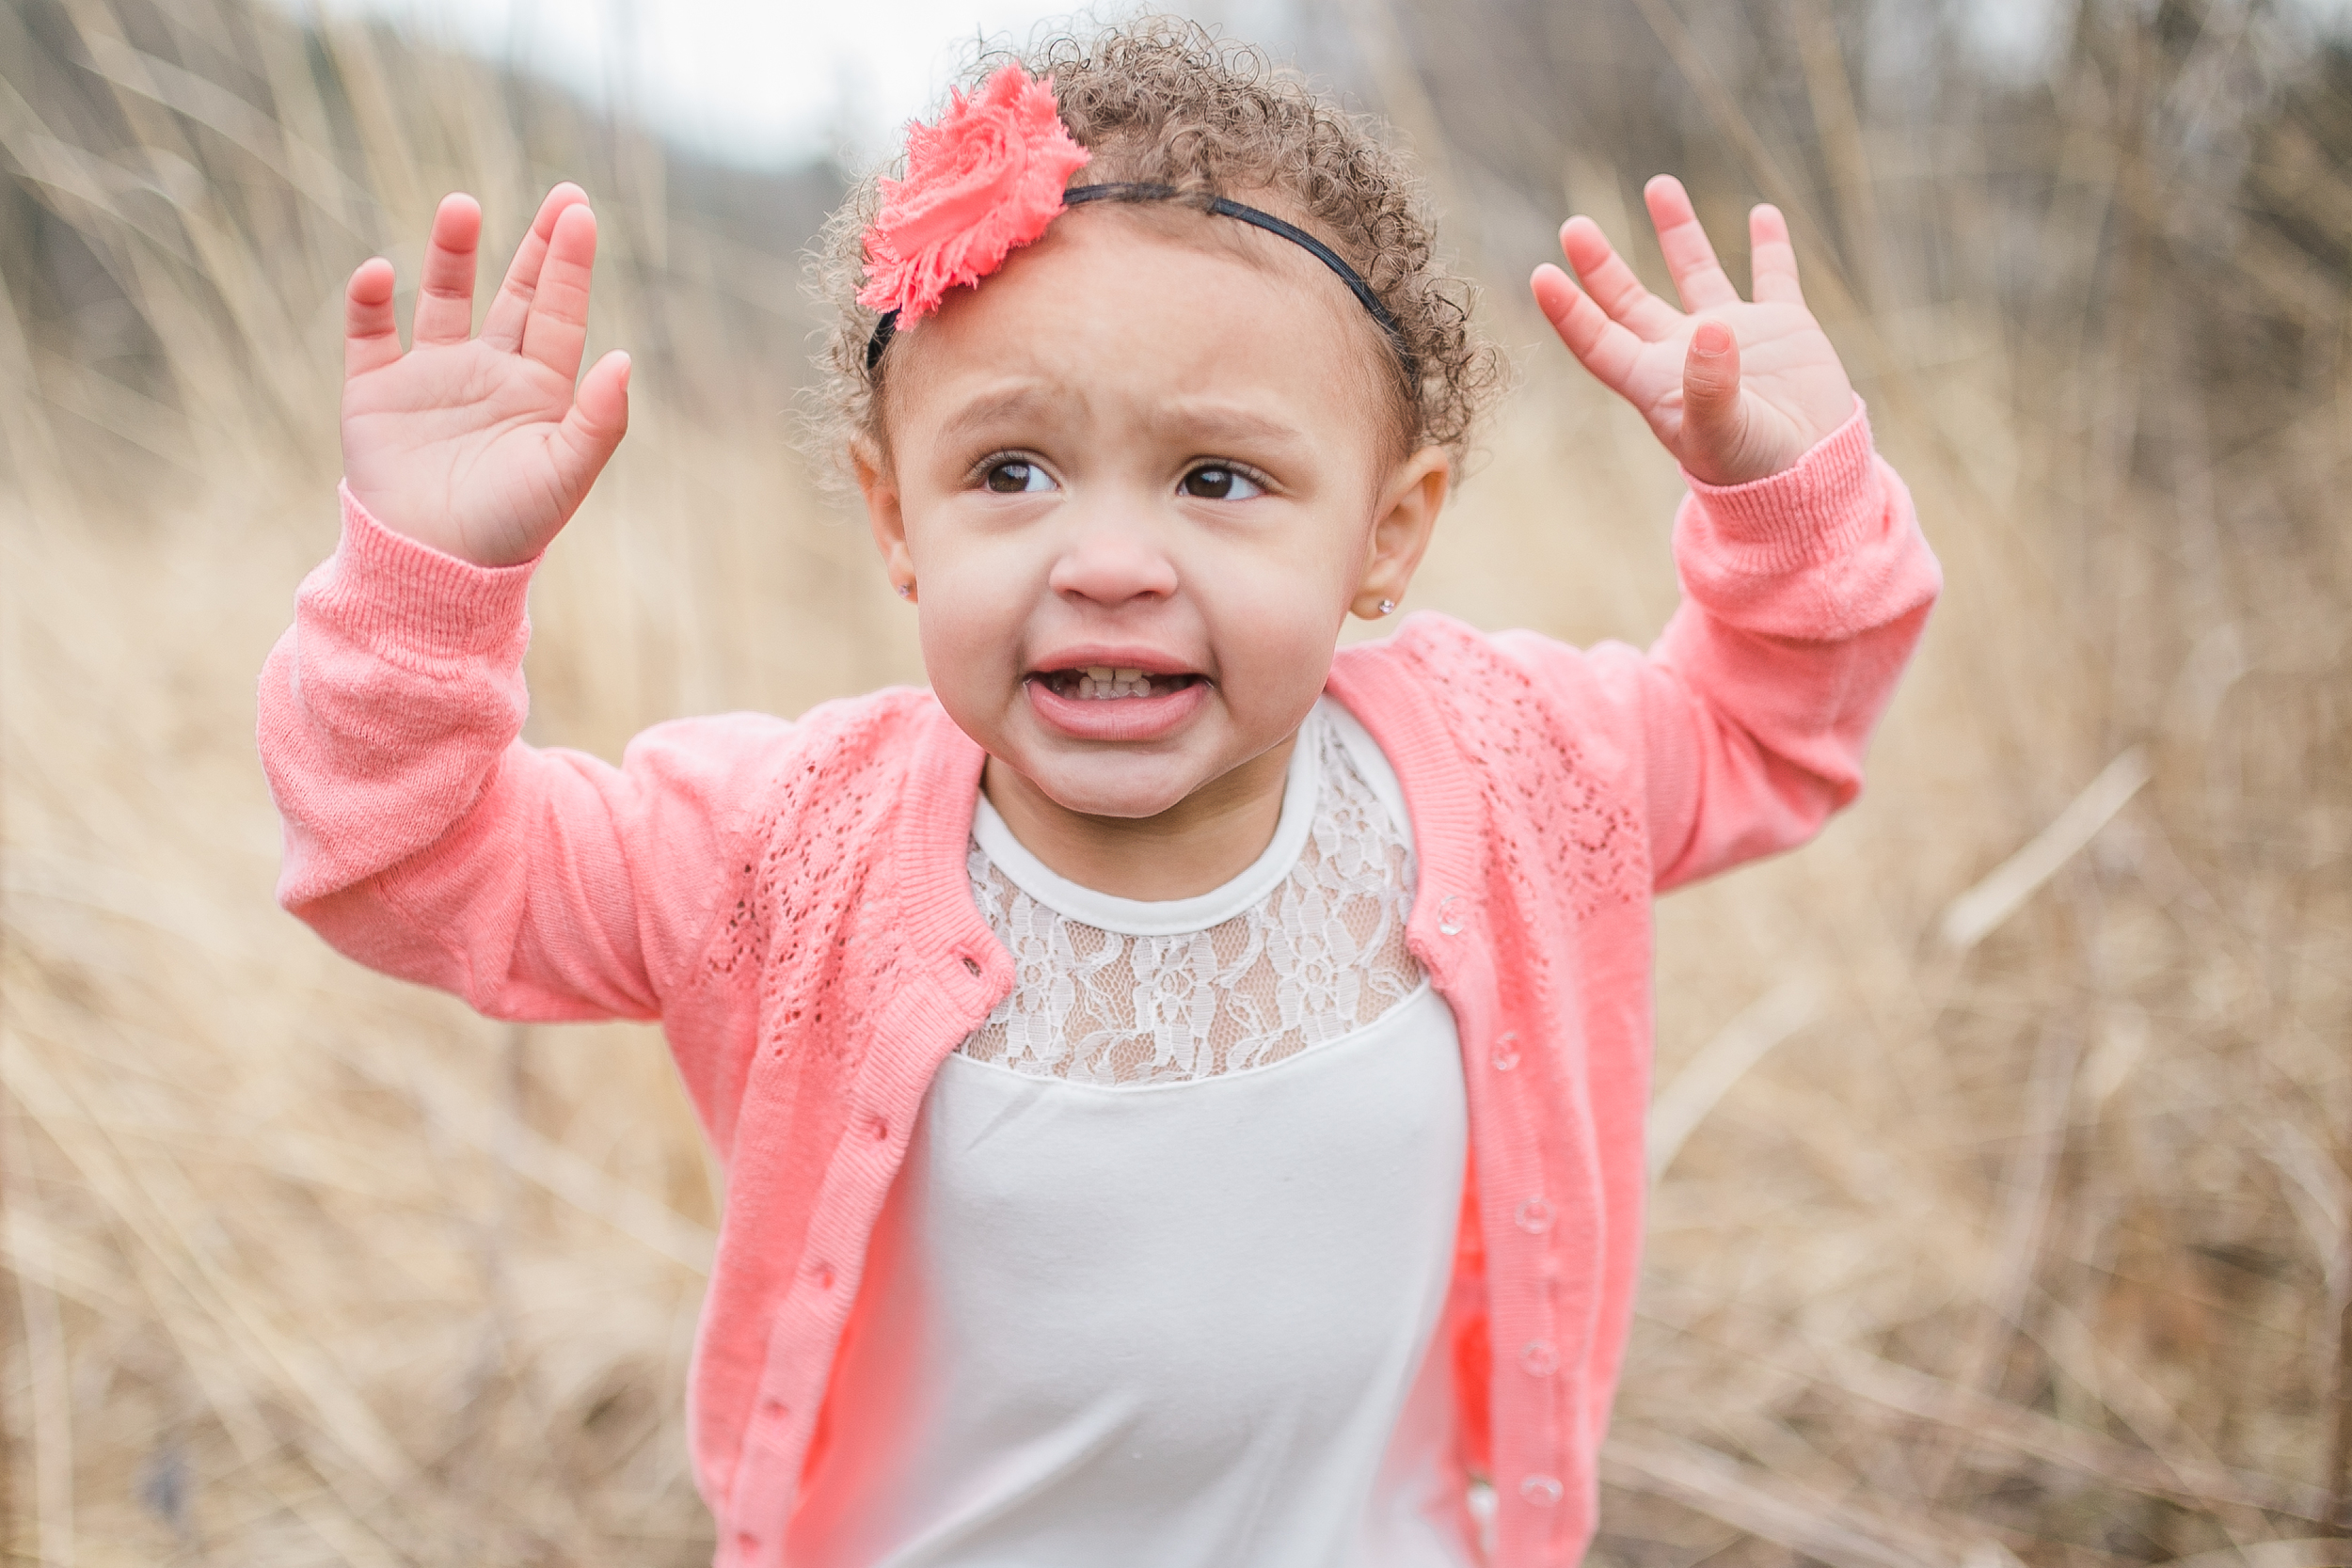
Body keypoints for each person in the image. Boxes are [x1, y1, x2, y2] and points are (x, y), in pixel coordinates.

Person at [259, 20, 1938, 1568]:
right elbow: (410, 865)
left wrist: (1790, 490)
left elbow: (1769, 730)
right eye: (1011, 471)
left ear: (1389, 532)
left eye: (1220, 479)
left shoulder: (1509, 770)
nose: (1110, 561)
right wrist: (428, 584)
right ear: (894, 516)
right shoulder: (783, 846)